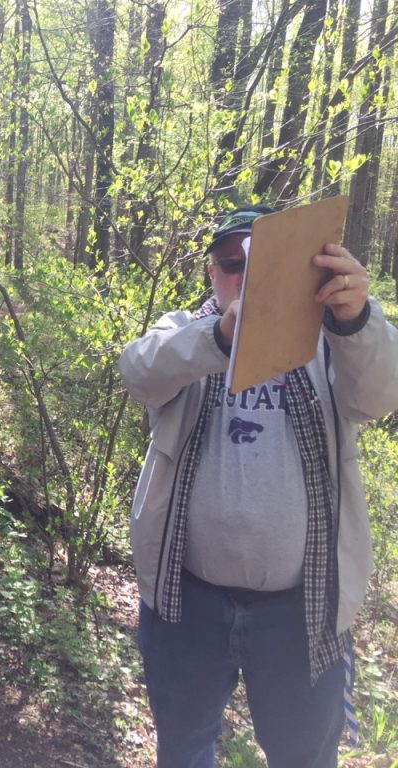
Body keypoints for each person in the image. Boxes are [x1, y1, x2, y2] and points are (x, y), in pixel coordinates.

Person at [118, 204, 398, 767]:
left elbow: (380, 396)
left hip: (301, 611)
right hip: (186, 600)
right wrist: (220, 337)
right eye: (230, 264)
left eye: (262, 262)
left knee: (302, 756)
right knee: (184, 748)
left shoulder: (332, 342)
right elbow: (139, 371)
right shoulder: (186, 332)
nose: (244, 278)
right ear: (212, 275)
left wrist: (356, 318)